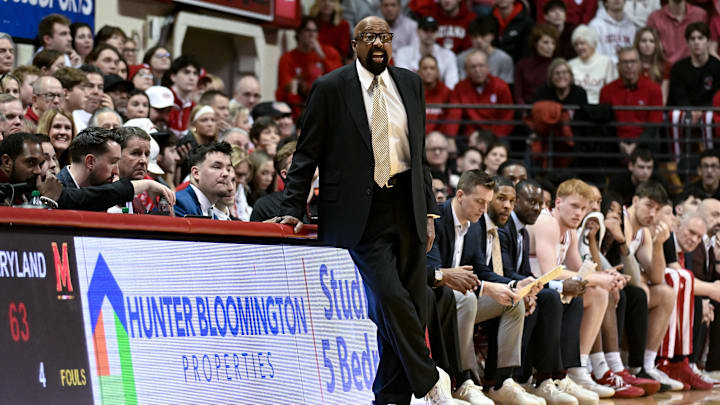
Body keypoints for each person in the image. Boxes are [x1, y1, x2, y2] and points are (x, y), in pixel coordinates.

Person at [274, 15, 458, 404]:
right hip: (360, 211)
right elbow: (307, 152)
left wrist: (427, 212)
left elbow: (419, 153)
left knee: (412, 304)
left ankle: (389, 398)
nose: (378, 43)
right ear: (354, 44)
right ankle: (430, 381)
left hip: (406, 204)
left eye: (384, 37)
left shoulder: (410, 83)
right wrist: (292, 205)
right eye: (369, 37)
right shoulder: (330, 87)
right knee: (391, 299)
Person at [427, 172, 538, 405]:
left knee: (513, 300)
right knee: (466, 299)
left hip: (465, 299)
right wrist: (486, 288)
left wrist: (513, 285)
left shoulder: (476, 226)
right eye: (480, 202)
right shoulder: (436, 219)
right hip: (437, 299)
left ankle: (501, 382)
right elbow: (434, 271)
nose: (484, 208)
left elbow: (481, 271)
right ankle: (464, 380)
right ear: (460, 196)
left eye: (487, 203)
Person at [528, 179, 618, 399]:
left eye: (584, 209)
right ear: (558, 202)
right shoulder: (547, 222)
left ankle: (579, 368)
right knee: (591, 291)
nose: (580, 213)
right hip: (531, 287)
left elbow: (580, 270)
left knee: (597, 293)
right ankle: (557, 373)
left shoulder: (570, 230)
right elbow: (549, 272)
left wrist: (607, 276)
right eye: (575, 206)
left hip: (549, 290)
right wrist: (597, 279)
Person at [668, 22, 720, 156]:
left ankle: (711, 158)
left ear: (708, 41)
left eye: (700, 38)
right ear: (687, 42)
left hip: (709, 110)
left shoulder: (717, 66)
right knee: (674, 116)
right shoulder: (678, 68)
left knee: (709, 117)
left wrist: (702, 110)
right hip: (686, 109)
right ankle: (677, 159)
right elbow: (679, 95)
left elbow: (716, 96)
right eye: (692, 39)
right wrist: (690, 110)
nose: (696, 42)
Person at [599, 47, 663, 155]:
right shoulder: (606, 91)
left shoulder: (654, 89)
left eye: (633, 62)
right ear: (618, 65)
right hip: (615, 146)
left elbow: (654, 124)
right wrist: (619, 143)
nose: (629, 66)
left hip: (645, 146)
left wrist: (635, 145)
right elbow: (605, 124)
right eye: (625, 62)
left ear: (640, 64)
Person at [276, 16, 343, 118]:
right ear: (299, 33)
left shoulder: (329, 52)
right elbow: (285, 89)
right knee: (293, 85)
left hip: (327, 104)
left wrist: (321, 56)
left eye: (315, 31)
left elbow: (339, 80)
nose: (312, 35)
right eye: (308, 30)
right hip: (301, 106)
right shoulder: (287, 58)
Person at [445, 49, 514, 137]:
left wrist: (491, 138)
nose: (477, 70)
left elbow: (506, 117)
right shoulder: (459, 88)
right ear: (466, 71)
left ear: (488, 67)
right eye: (473, 67)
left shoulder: (501, 86)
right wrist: (451, 138)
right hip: (469, 137)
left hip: (496, 137)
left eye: (481, 66)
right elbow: (453, 115)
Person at [394, 16, 460, 90]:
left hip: (440, 98)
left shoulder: (448, 56)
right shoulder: (403, 53)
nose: (429, 34)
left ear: (438, 33)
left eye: (433, 31)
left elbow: (452, 85)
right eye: (426, 30)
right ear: (418, 31)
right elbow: (403, 83)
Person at [174, 142, 233, 219]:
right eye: (217, 167)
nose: (226, 174)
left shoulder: (214, 215)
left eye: (228, 169)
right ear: (196, 173)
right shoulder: (178, 203)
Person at [250, 142, 300, 221]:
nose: (304, 163)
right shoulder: (265, 205)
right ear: (285, 174)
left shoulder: (323, 198)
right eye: (296, 160)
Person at [568, 25, 618, 104]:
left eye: (582, 43)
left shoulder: (606, 62)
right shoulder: (570, 64)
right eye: (576, 44)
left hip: (600, 106)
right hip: (577, 107)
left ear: (593, 44)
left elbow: (613, 89)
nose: (579, 47)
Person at [647, 0, 707, 65]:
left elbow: (706, 46)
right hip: (665, 70)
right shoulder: (655, 18)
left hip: (694, 68)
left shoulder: (700, 15)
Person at [457, 16, 514, 83]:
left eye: (483, 35)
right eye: (475, 36)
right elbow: (462, 85)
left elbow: (506, 87)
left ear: (492, 36)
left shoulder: (504, 59)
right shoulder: (461, 58)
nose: (479, 40)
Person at [514, 24, 559, 105]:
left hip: (552, 109)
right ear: (535, 43)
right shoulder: (522, 65)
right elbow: (518, 94)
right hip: (528, 109)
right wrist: (524, 111)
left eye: (553, 43)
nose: (550, 47)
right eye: (546, 42)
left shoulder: (557, 65)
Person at [634, 27, 670, 104]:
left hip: (656, 108)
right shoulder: (630, 65)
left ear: (656, 44)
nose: (647, 45)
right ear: (637, 44)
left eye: (652, 41)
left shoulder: (665, 66)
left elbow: (663, 99)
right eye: (643, 41)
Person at [167, 55, 200, 136]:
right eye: (186, 72)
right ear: (173, 77)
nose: (192, 78)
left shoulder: (194, 106)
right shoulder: (164, 100)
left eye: (195, 73)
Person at [74, 65, 112, 133]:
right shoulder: (71, 116)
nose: (96, 92)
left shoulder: (106, 115)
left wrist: (110, 114)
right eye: (90, 86)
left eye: (100, 87)